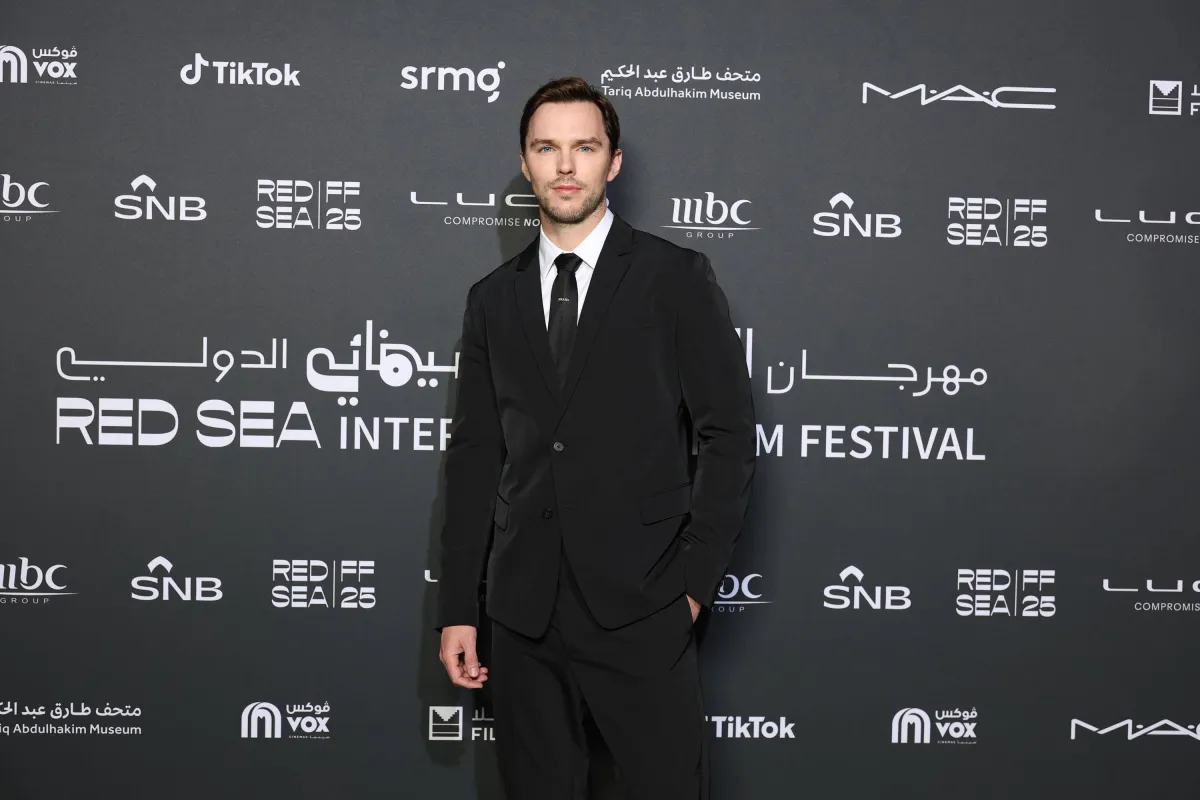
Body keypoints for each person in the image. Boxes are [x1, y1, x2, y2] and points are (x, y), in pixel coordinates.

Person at [435, 75, 756, 799]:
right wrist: (459, 610)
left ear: (614, 162)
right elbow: (476, 458)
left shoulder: (675, 278)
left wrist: (693, 585)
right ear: (525, 162)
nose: (565, 166)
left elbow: (729, 434)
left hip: (643, 602)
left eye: (584, 147)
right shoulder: (492, 299)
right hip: (522, 613)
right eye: (546, 147)